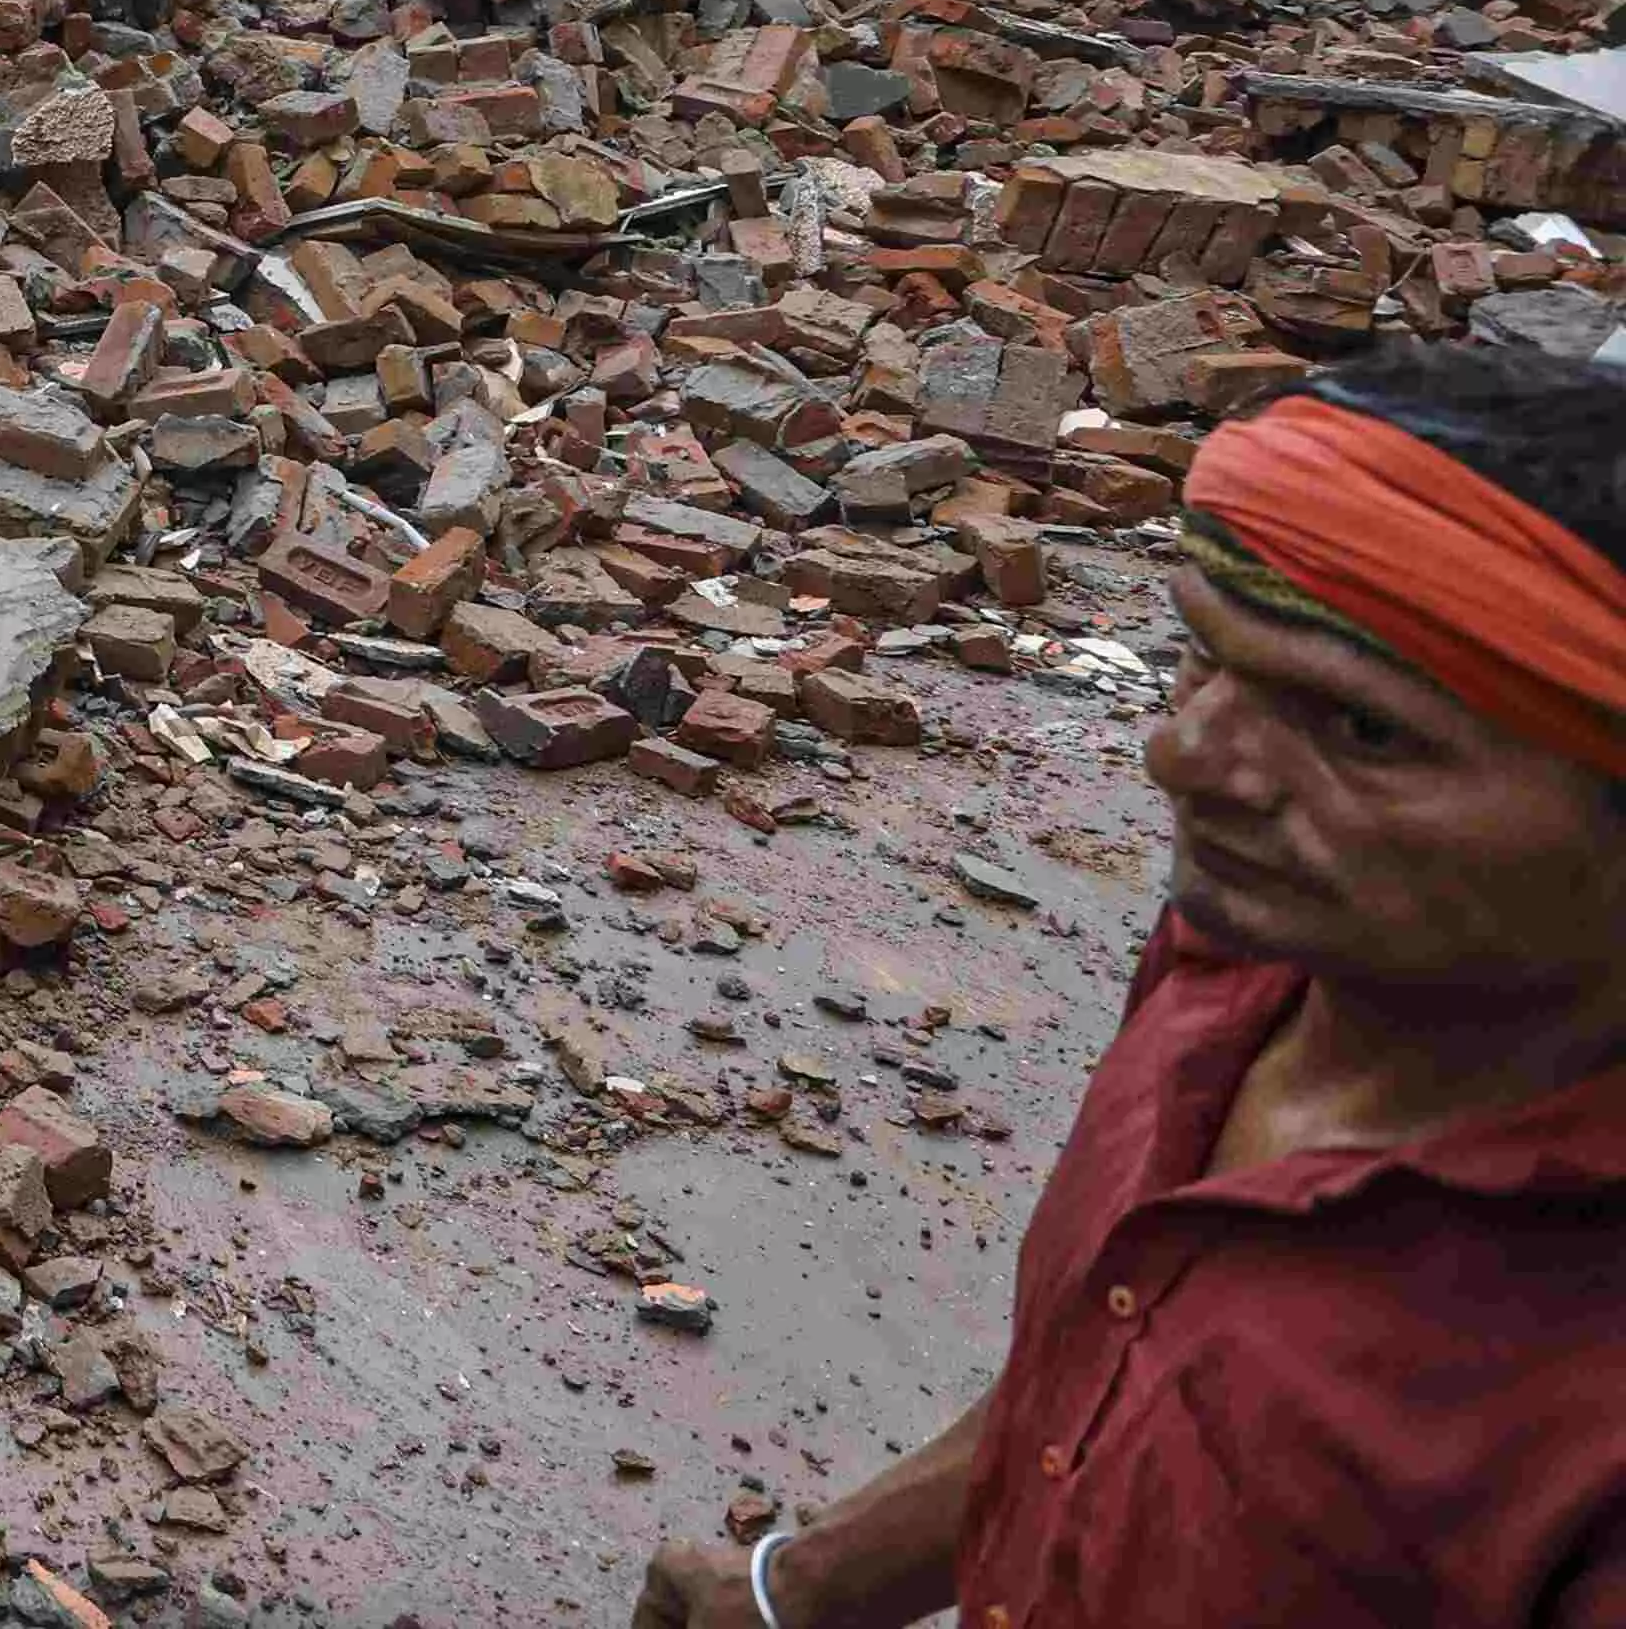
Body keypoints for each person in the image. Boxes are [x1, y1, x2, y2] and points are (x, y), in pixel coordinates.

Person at [631, 340, 1626, 1629]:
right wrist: (798, 1586)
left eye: (1361, 729)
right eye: (1204, 660)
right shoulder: (1243, 961)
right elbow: (1099, 1374)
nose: (1180, 756)